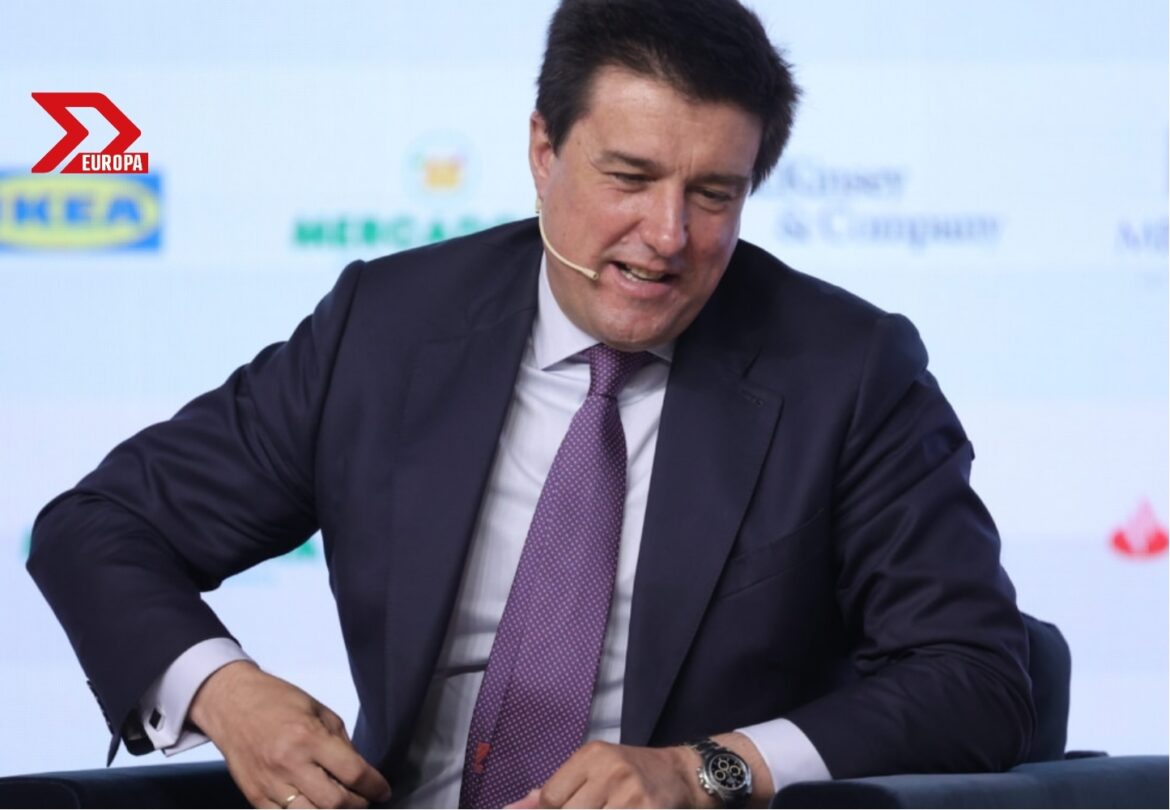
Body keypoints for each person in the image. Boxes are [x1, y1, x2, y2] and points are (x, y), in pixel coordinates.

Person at [27, 0, 1035, 807]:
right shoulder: (388, 329)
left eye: (713, 195)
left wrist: (707, 772)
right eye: (629, 177)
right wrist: (225, 693)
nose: (668, 235)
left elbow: (975, 675)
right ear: (543, 151)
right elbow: (98, 527)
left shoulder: (847, 371)